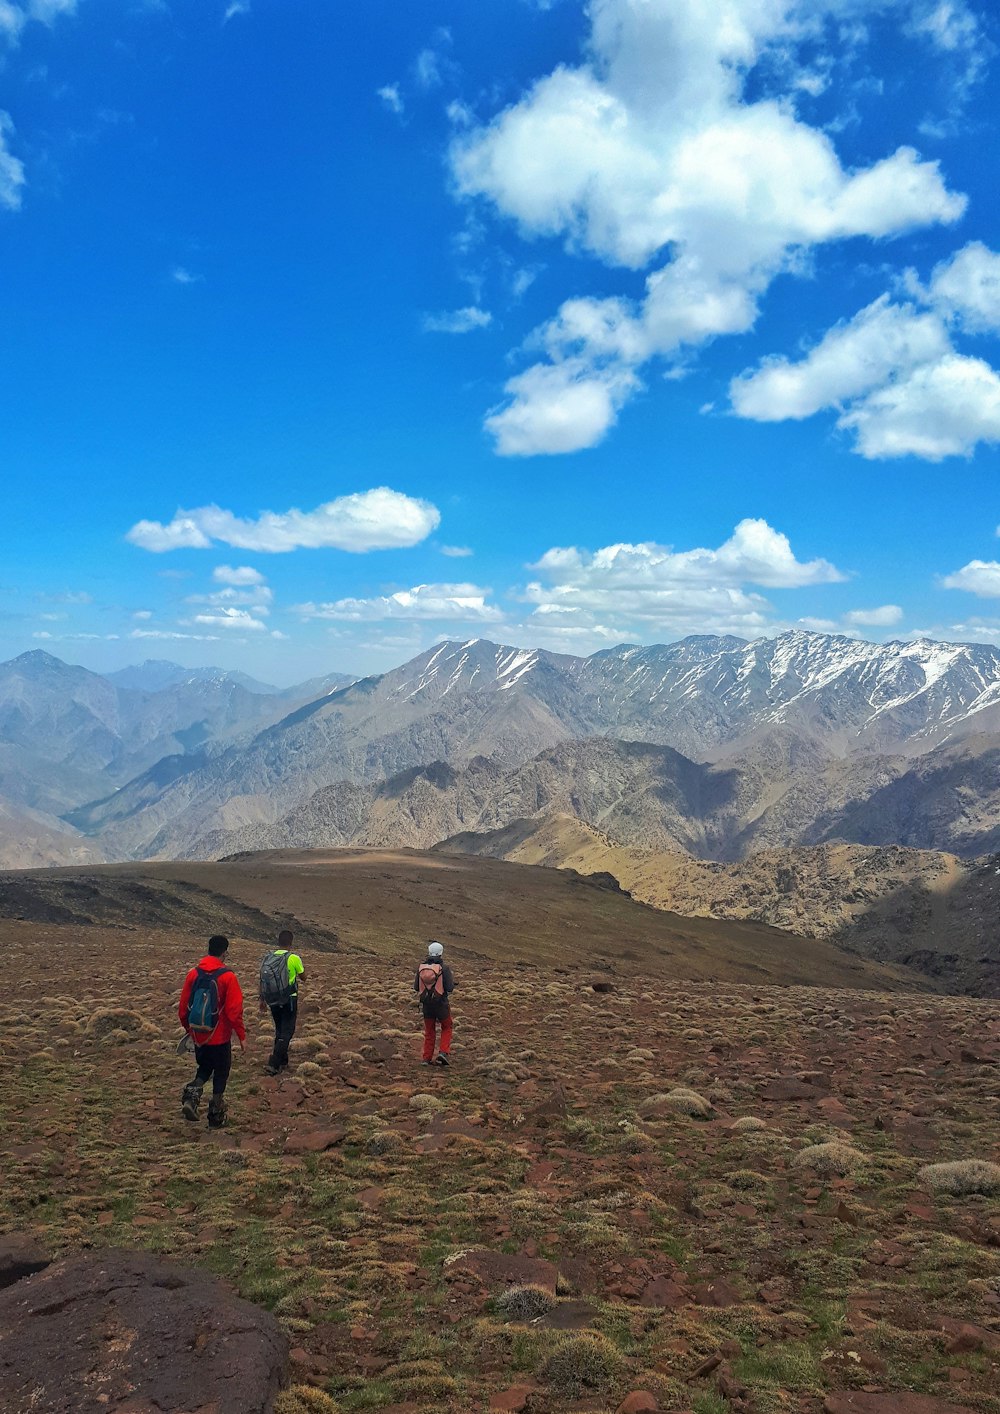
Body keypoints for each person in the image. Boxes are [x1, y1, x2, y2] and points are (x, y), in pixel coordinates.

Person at [178, 934, 246, 1128]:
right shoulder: (227, 976)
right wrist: (241, 1036)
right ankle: (215, 1114)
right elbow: (234, 1012)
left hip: (199, 1035)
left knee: (205, 1067)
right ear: (224, 953)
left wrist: (190, 1030)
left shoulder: (194, 974)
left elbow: (183, 1008)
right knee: (221, 1071)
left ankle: (192, 1096)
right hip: (220, 1036)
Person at [260, 929, 305, 1076]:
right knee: (287, 1031)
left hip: (272, 998)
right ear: (291, 943)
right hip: (289, 999)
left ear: (278, 942)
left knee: (279, 1029)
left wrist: (262, 1000)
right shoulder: (293, 958)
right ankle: (274, 1063)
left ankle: (283, 1061)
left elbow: (262, 980)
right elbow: (304, 977)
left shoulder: (268, 958)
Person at [414, 940, 455, 1066]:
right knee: (447, 1026)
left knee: (429, 1031)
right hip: (441, 1004)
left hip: (426, 1005)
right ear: (441, 953)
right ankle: (443, 1053)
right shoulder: (444, 968)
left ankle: (426, 1058)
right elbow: (449, 987)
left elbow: (416, 987)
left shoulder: (421, 968)